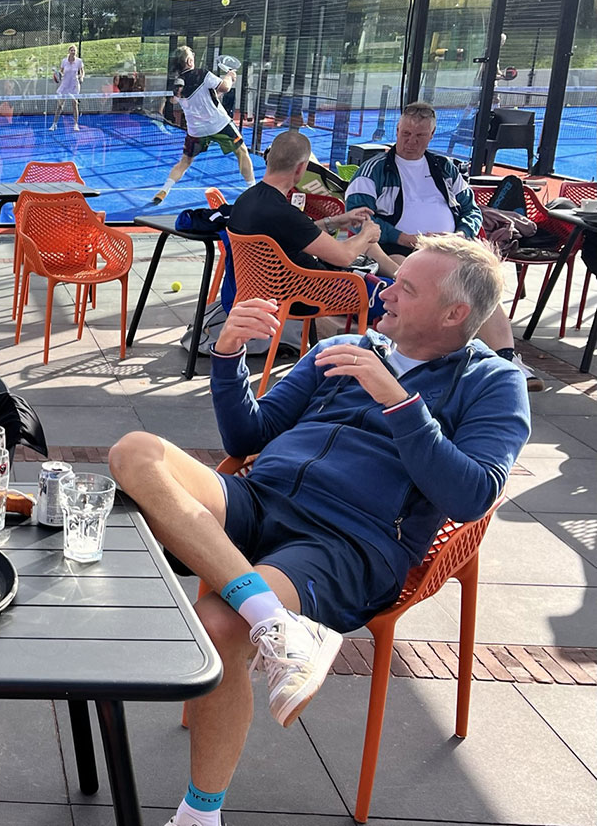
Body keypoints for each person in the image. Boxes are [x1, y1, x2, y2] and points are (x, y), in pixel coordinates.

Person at [108, 232, 530, 826]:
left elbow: (474, 493)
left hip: (346, 542)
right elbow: (249, 436)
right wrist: (228, 359)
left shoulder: (492, 383)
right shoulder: (346, 346)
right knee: (135, 451)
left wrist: (398, 401)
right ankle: (275, 621)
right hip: (260, 499)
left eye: (407, 288)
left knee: (218, 623)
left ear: (453, 314)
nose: (385, 292)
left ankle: (199, 816)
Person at [345, 101, 544, 392]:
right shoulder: (373, 170)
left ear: (431, 135)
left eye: (419, 136)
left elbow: (472, 210)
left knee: (480, 286)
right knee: (423, 283)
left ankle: (505, 359)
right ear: (397, 131)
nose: (411, 141)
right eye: (406, 134)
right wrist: (404, 237)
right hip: (398, 247)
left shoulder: (444, 168)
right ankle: (441, 360)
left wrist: (459, 236)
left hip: (449, 247)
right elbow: (358, 218)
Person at [230, 131, 399, 280]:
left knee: (389, 256)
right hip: (313, 292)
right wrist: (368, 232)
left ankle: (401, 277)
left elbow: (298, 232)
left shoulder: (246, 200)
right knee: (370, 247)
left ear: (269, 160)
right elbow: (344, 256)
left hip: (266, 285)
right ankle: (404, 282)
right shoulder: (284, 214)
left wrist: (337, 221)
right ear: (300, 168)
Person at [152, 46, 254, 205]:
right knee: (242, 152)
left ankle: (164, 190)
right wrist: (229, 76)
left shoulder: (177, 85)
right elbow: (225, 87)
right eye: (192, 55)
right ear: (189, 61)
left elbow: (204, 97)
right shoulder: (202, 74)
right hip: (219, 124)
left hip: (196, 131)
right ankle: (252, 189)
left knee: (185, 162)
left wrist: (219, 89)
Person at [50, 44, 85, 132]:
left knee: (75, 104)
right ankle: (54, 124)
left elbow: (82, 72)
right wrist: (58, 76)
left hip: (74, 85)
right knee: (60, 105)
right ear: (69, 51)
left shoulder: (79, 61)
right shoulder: (64, 61)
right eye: (71, 50)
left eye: (74, 50)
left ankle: (76, 124)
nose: (73, 52)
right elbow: (61, 72)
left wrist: (81, 77)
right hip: (65, 85)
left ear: (76, 52)